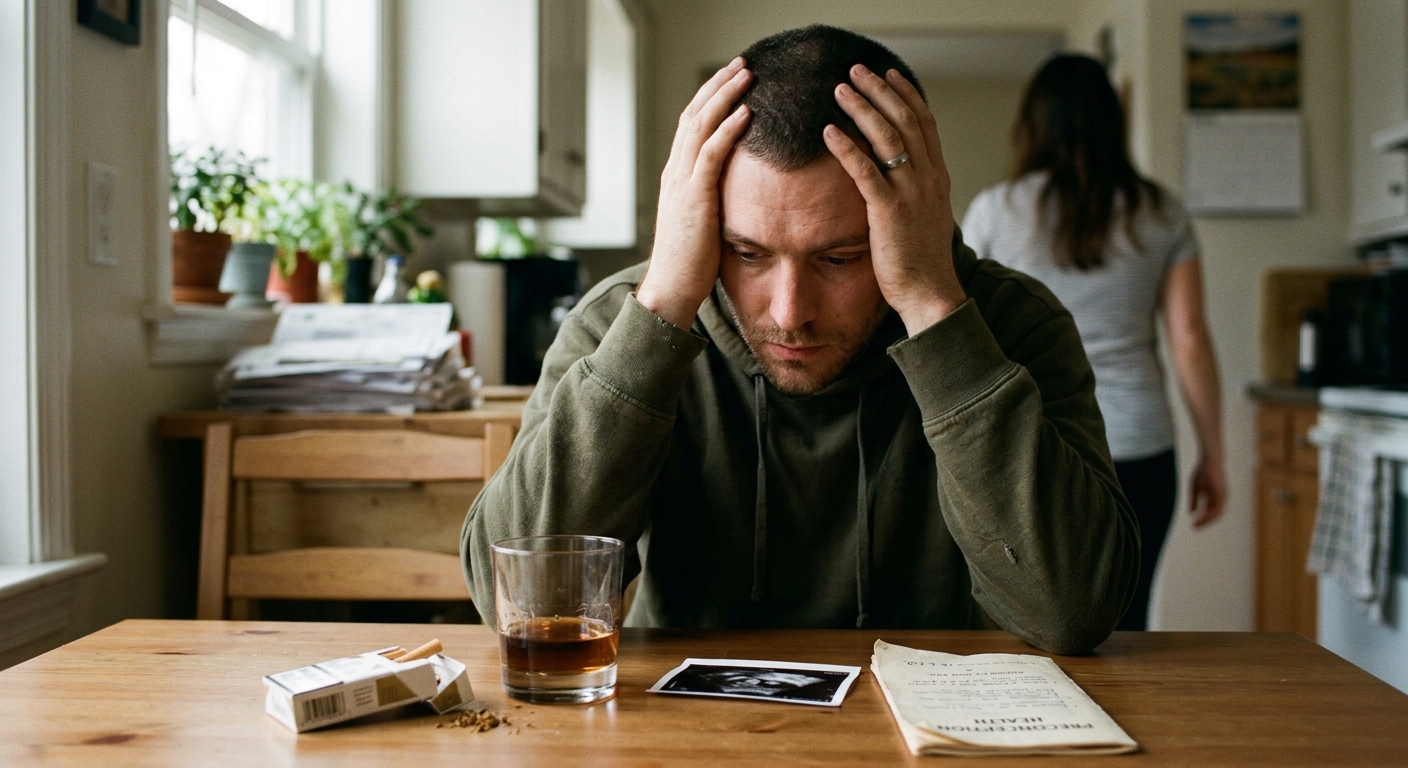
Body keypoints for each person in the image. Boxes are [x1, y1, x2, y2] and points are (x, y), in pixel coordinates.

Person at [462, 25, 1139, 655]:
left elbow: (1072, 613)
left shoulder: (1012, 323)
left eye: (841, 258)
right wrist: (662, 309)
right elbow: (518, 603)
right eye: (747, 253)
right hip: (683, 734)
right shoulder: (624, 321)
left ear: (915, 221)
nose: (790, 313)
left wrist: (934, 308)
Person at [961, 54, 1226, 631]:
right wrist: (1214, 453)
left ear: (1032, 125)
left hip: (1030, 442)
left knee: (1023, 621)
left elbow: (965, 333)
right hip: (1140, 442)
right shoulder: (1161, 214)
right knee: (1126, 624)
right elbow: (1188, 337)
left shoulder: (994, 211)